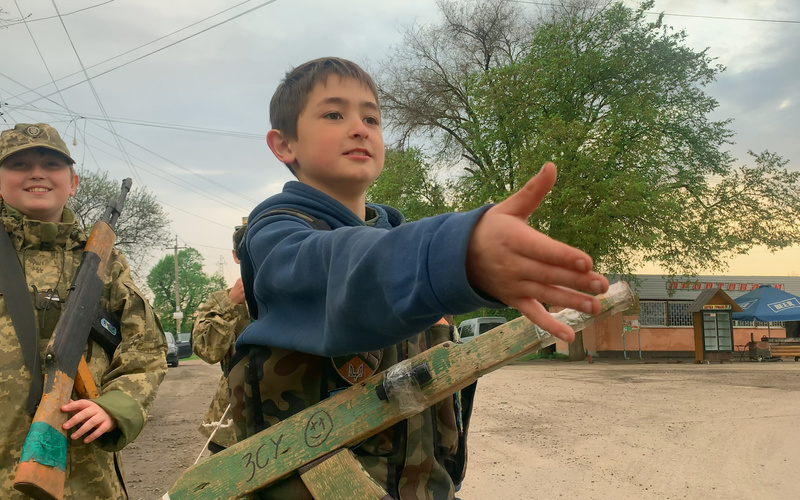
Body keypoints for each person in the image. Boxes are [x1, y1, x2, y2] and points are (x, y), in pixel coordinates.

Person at [229, 57, 609, 499]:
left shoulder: (403, 246)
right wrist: (450, 256)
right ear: (283, 145)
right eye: (334, 114)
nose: (359, 127)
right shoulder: (276, 237)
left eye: (371, 117)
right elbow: (339, 269)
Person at [0, 123, 167, 498]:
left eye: (51, 164)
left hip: (90, 481)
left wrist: (115, 407)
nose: (37, 172)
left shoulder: (104, 263)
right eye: (19, 164)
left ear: (73, 182)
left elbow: (146, 347)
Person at [192, 221, 251, 453]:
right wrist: (231, 304)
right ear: (237, 256)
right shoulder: (218, 301)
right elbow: (208, 351)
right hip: (231, 418)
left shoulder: (290, 294)